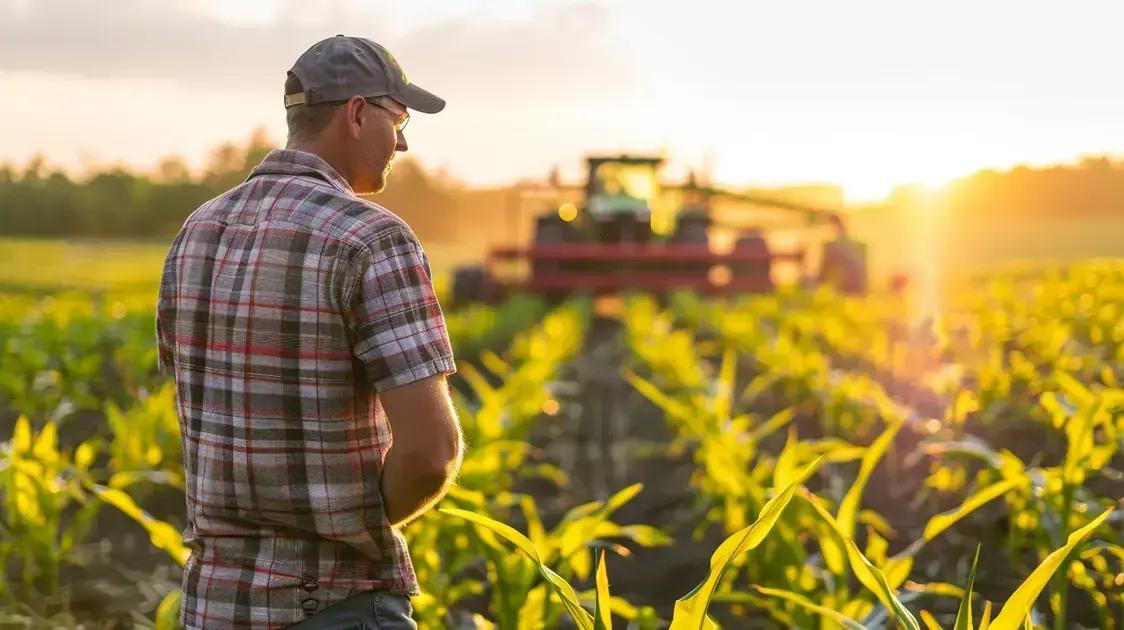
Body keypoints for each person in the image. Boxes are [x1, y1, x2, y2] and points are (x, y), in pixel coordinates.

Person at [156, 35, 463, 629]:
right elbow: (431, 455)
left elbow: (203, 414)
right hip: (334, 604)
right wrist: (353, 529)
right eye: (397, 118)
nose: (402, 140)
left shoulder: (195, 232)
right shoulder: (371, 237)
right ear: (356, 114)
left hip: (214, 606)